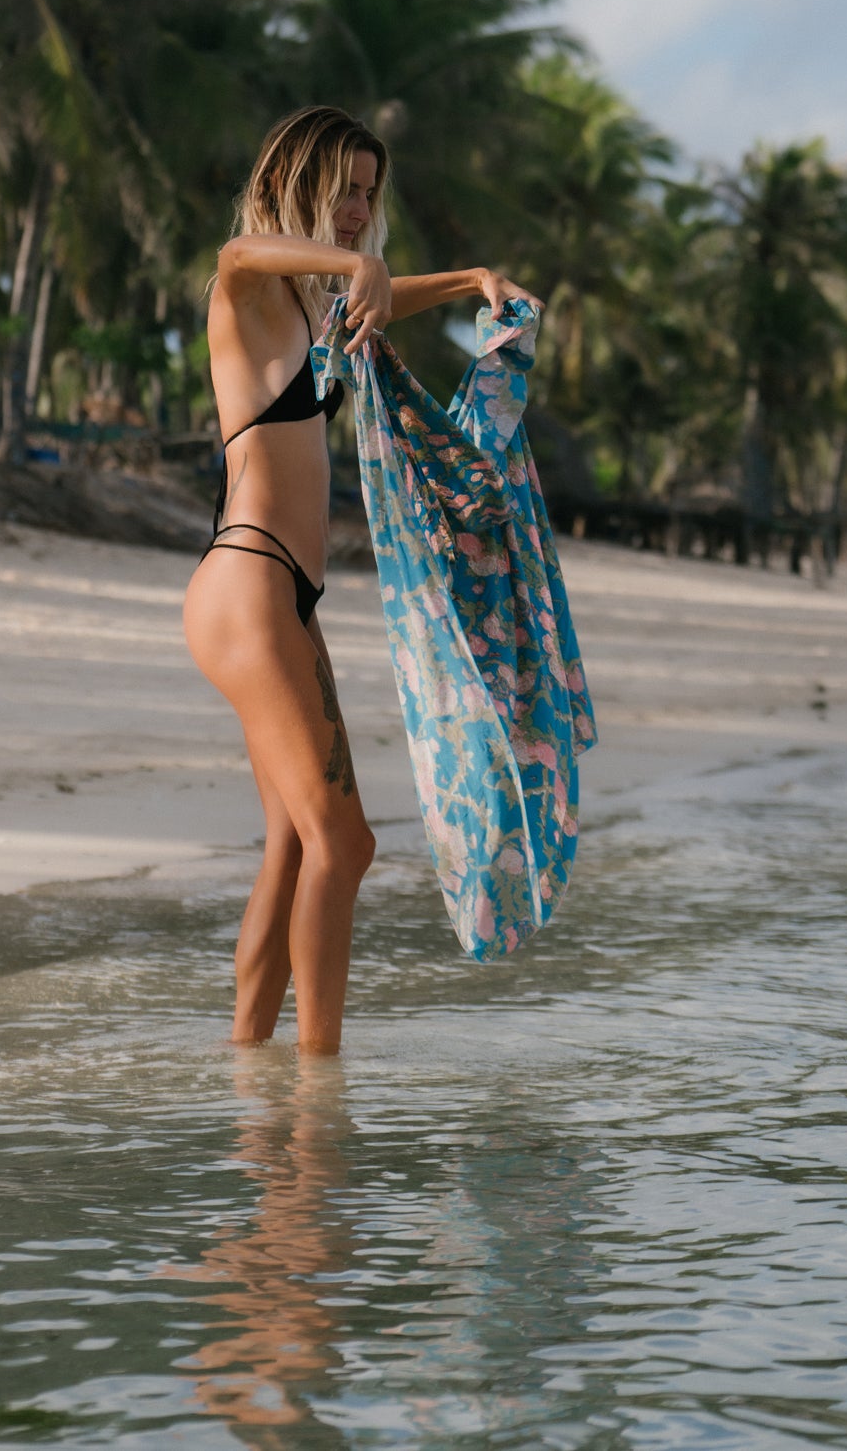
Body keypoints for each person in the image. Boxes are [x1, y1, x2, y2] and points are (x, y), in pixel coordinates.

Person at [182, 105, 536, 1055]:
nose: (355, 211)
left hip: (282, 597)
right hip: (247, 584)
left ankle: (249, 1068)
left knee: (295, 843)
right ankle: (319, 1087)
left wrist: (468, 279)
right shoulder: (249, 293)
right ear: (289, 181)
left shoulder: (315, 310)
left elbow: (382, 298)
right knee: (347, 842)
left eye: (368, 196)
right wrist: (355, 266)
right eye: (342, 190)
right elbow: (238, 251)